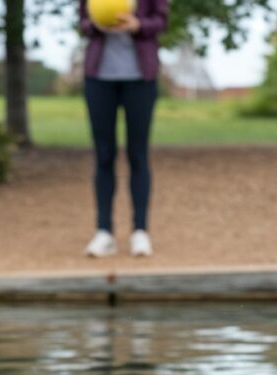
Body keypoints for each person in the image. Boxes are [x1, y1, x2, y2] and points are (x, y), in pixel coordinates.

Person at [79, 0, 168, 258]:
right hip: (98, 78)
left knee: (138, 154)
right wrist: (96, 24)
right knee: (103, 155)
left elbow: (161, 20)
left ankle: (140, 232)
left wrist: (138, 24)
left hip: (140, 78)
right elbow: (83, 22)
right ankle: (104, 232)